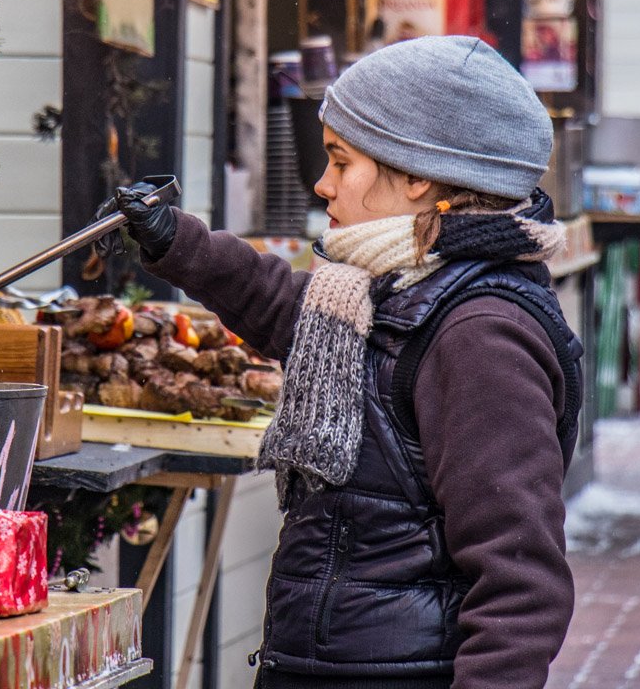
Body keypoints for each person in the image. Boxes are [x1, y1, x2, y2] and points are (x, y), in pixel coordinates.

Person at [93, 35, 583, 689]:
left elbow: (521, 585)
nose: (322, 184)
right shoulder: (388, 290)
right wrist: (173, 239)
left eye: (341, 160)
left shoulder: (480, 334)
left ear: (416, 175)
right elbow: (277, 302)